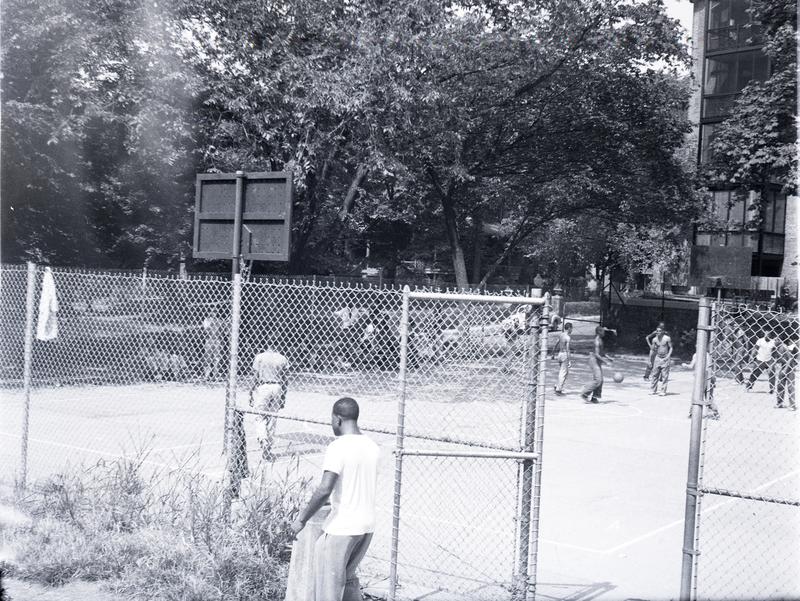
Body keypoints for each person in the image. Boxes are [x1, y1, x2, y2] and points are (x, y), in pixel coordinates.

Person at [290, 398, 380, 601]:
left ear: (337, 419)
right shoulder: (372, 446)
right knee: (347, 582)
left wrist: (301, 520)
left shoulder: (338, 447)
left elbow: (324, 489)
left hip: (342, 528)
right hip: (366, 527)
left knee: (328, 590)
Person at [250, 347, 290, 461]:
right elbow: (285, 379)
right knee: (272, 417)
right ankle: (269, 446)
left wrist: (251, 390)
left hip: (264, 386)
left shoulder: (260, 357)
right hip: (277, 387)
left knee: (260, 416)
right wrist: (283, 396)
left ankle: (263, 439)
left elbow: (255, 376)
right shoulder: (282, 358)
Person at [581, 326, 617, 404]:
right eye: (603, 331)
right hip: (594, 361)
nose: (604, 333)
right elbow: (597, 354)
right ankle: (584, 393)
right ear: (599, 332)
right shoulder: (597, 341)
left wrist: (608, 357)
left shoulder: (600, 340)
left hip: (597, 361)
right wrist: (606, 362)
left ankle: (594, 397)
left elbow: (602, 352)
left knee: (601, 380)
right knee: (598, 380)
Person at [683, 348, 720, 420]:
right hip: (710, 376)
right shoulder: (708, 355)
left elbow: (691, 366)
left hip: (703, 377)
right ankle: (715, 412)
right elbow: (709, 367)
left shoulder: (697, 355)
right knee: (708, 395)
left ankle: (693, 413)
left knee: (697, 394)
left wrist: (685, 365)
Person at [649, 324, 673, 396]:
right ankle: (653, 390)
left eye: (659, 331)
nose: (658, 332)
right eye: (657, 331)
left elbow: (671, 348)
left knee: (664, 375)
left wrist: (668, 357)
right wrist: (650, 360)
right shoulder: (654, 339)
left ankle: (663, 391)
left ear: (663, 332)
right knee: (654, 374)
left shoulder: (667, 338)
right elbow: (652, 350)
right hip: (657, 357)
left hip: (665, 357)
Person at [774, 336, 797, 410]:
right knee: (780, 385)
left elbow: (790, 358)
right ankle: (779, 403)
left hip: (789, 367)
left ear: (780, 340)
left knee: (790, 387)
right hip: (783, 367)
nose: (775, 341)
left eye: (777, 339)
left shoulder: (783, 347)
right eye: (774, 340)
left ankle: (792, 405)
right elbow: (779, 359)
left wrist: (785, 370)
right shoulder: (777, 348)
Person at [202, 307, 225, 381]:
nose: (214, 313)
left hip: (217, 340)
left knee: (217, 358)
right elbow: (206, 330)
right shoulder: (207, 320)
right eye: (212, 311)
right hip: (209, 340)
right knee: (207, 358)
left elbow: (223, 331)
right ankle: (206, 375)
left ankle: (215, 375)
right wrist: (212, 322)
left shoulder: (220, 321)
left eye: (215, 311)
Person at [551, 322, 573, 395]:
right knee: (563, 373)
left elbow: (555, 344)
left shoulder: (561, 335)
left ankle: (557, 385)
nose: (572, 330)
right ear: (569, 328)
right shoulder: (568, 337)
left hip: (559, 354)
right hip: (564, 355)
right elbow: (567, 349)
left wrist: (553, 354)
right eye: (571, 328)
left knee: (563, 372)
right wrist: (569, 360)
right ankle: (558, 390)